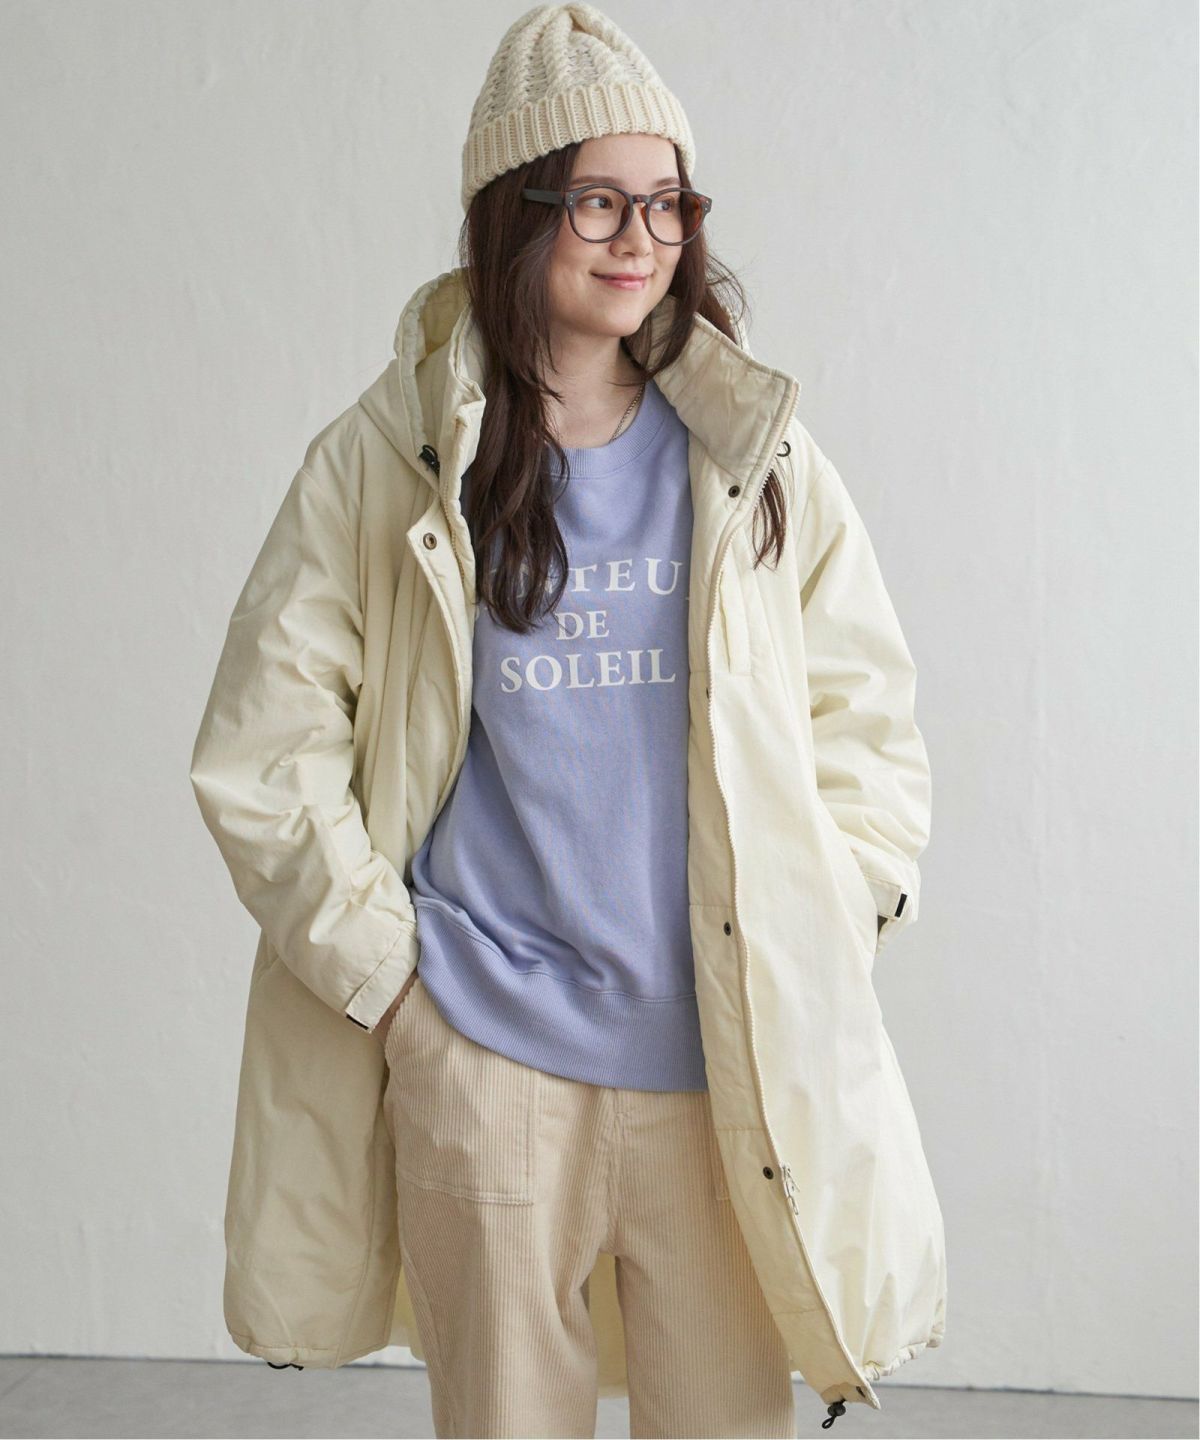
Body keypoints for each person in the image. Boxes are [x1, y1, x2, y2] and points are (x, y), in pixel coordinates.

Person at [190, 4, 946, 1437]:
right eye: (597, 198)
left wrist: (822, 924)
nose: (638, 236)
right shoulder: (387, 460)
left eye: (667, 201)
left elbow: (868, 724)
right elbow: (262, 750)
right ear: (513, 210)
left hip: (722, 1072)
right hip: (488, 1058)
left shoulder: (754, 455)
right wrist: (398, 993)